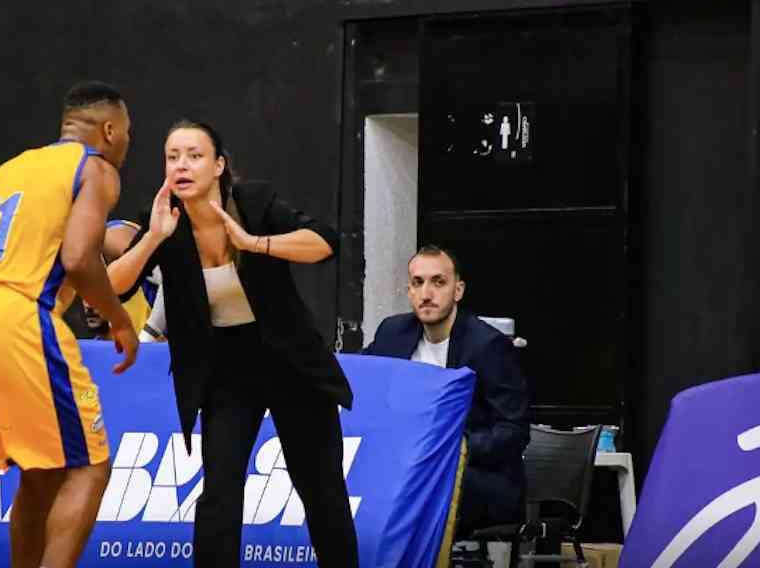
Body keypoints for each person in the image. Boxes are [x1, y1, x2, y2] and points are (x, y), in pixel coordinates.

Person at [108, 119, 358, 567]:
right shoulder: (164, 221)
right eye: (173, 157)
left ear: (219, 165)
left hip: (288, 362)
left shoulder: (253, 202)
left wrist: (254, 243)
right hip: (225, 369)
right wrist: (153, 238)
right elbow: (110, 290)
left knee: (321, 488)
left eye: (194, 155)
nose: (182, 165)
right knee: (220, 491)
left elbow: (324, 243)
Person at [0, 81, 138, 568]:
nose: (127, 142)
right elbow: (81, 257)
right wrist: (120, 319)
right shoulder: (97, 169)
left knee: (41, 472)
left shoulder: (13, 168)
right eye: (127, 132)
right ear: (109, 130)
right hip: (17, 314)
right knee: (90, 467)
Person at [363, 245, 530, 534]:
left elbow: (513, 431)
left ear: (458, 290)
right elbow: (360, 378)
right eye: (418, 283)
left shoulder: (487, 345)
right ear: (409, 290)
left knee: (411, 489)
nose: (426, 293)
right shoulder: (392, 334)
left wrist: (452, 449)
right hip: (405, 472)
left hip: (478, 478)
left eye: (438, 282)